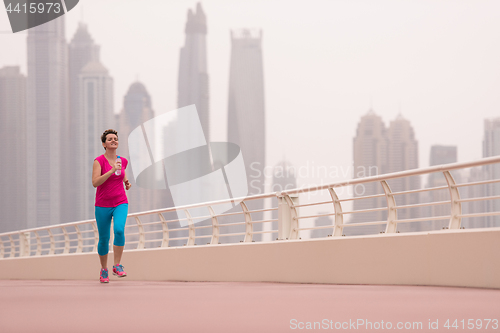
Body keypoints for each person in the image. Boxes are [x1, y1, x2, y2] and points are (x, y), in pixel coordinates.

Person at [92, 129, 132, 283]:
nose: (113, 141)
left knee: (119, 230)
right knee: (104, 239)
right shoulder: (99, 161)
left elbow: (122, 174)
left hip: (120, 202)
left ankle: (117, 265)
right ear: (104, 144)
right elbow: (95, 182)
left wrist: (126, 182)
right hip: (102, 205)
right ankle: (104, 269)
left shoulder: (123, 161)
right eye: (110, 139)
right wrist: (111, 170)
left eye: (115, 139)